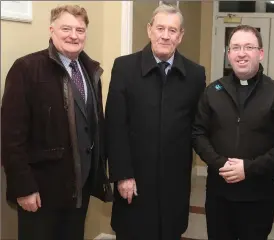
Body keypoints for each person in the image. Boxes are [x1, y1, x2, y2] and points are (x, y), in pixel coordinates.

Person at [1, 5, 112, 240]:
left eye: (80, 30)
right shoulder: (26, 69)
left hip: (79, 190)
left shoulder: (91, 71)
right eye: (66, 28)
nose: (74, 35)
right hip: (41, 191)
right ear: (52, 30)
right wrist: (23, 187)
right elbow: (11, 136)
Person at [105, 3, 206, 240]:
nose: (165, 35)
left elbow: (197, 126)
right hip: (133, 179)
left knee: (169, 232)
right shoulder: (124, 67)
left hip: (175, 180)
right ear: (149, 29)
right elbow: (115, 125)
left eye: (172, 30)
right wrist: (122, 174)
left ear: (180, 36)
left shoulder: (195, 74)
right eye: (160, 28)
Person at [192, 25, 274, 240]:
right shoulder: (213, 91)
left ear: (261, 53)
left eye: (249, 47)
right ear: (228, 54)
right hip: (218, 195)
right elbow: (198, 133)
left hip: (259, 196)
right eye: (236, 47)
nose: (242, 53)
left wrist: (248, 168)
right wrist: (220, 162)